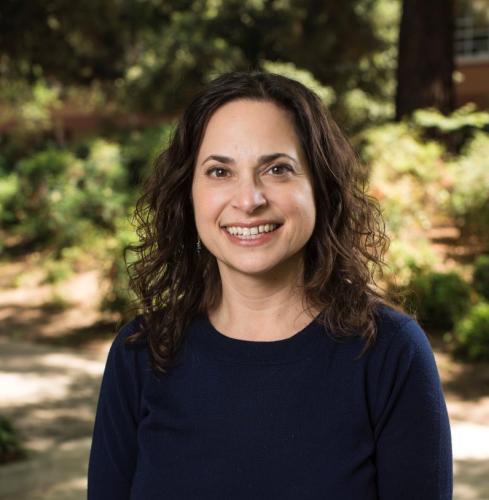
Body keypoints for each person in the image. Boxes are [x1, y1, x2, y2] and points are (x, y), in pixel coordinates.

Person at [87, 71, 453, 499]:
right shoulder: (141, 354)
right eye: (220, 171)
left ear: (321, 187)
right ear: (188, 194)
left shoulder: (390, 353)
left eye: (278, 169)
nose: (248, 200)